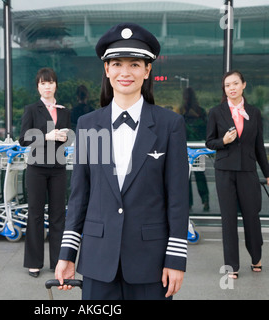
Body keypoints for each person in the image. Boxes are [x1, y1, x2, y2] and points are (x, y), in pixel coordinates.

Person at [55, 23, 189, 300]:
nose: (125, 72)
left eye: (135, 64)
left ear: (147, 70)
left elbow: (177, 197)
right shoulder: (88, 124)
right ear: (106, 70)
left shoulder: (170, 124)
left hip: (151, 263)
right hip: (97, 260)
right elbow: (79, 195)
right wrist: (67, 254)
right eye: (116, 64)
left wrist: (176, 258)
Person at [206, 70, 269, 279]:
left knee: (252, 217)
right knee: (228, 220)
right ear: (224, 89)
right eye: (227, 85)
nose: (232, 88)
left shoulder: (254, 112)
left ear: (243, 85)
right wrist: (223, 142)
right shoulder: (216, 112)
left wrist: (267, 173)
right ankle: (231, 265)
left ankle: (256, 257)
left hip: (248, 172)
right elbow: (209, 142)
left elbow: (259, 146)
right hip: (224, 172)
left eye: (235, 83)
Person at [19, 67, 71, 278]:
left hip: (58, 168)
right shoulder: (32, 109)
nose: (47, 86)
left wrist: (66, 136)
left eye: (50, 82)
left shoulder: (65, 110)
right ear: (38, 87)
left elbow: (68, 137)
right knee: (36, 214)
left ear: (55, 85)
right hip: (37, 168)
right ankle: (34, 262)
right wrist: (46, 136)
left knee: (59, 215)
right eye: (43, 83)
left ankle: (58, 261)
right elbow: (23, 139)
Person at [180, 87, 210, 211]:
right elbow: (206, 129)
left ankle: (188, 203)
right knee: (200, 174)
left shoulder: (182, 112)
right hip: (198, 147)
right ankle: (205, 200)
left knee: (186, 176)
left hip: (184, 147)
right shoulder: (200, 111)